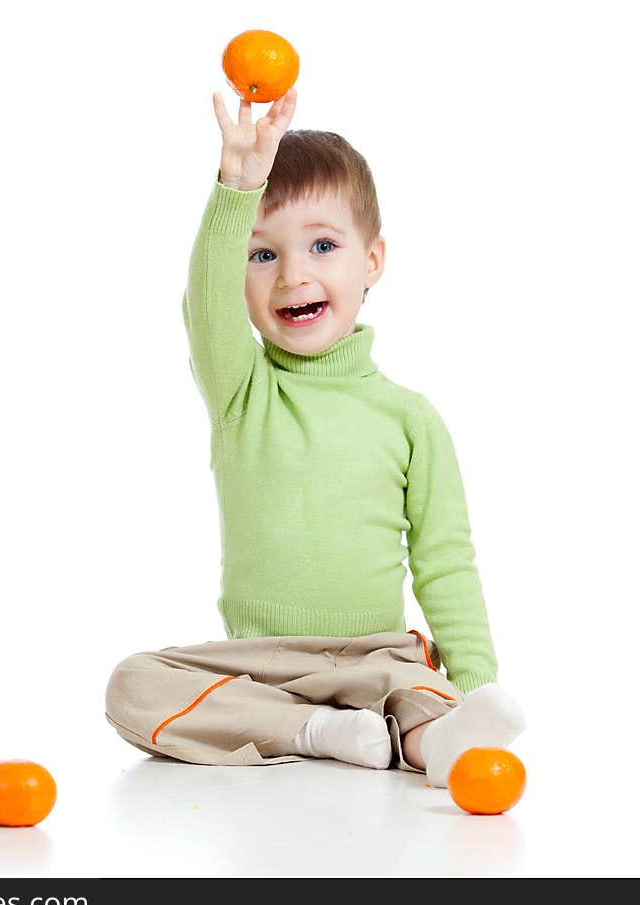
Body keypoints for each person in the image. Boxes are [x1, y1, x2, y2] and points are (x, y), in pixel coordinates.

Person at [105, 88, 525, 787]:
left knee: (421, 697)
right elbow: (204, 302)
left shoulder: (410, 418)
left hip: (379, 658)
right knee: (132, 684)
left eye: (323, 246)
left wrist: (475, 686)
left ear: (373, 260)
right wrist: (237, 189)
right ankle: (316, 733)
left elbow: (445, 564)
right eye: (262, 255)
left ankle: (442, 742)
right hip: (264, 667)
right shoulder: (243, 392)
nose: (293, 274)